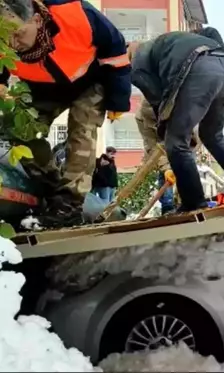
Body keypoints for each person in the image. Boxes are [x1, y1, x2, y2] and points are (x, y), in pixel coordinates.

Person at [0, 0, 131, 227]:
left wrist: (118, 100)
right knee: (19, 131)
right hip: (43, 88)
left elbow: (116, 52)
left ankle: (70, 205)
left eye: (18, 33)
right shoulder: (6, 41)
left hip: (91, 81)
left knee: (82, 130)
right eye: (6, 37)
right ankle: (53, 190)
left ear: (37, 19)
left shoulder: (75, 14)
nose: (13, 43)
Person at [127, 30, 224, 213]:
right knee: (212, 135)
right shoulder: (170, 41)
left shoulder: (137, 61)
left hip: (199, 71)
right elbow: (212, 32)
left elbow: (159, 100)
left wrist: (170, 130)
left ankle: (194, 202)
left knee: (175, 142)